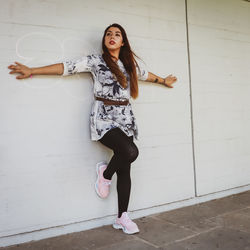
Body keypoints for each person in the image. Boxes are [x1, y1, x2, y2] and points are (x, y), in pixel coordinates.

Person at [8, 23, 177, 235]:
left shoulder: (130, 63)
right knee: (130, 152)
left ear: (123, 41)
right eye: (108, 34)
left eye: (117, 34)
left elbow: (147, 75)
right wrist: (32, 70)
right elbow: (66, 67)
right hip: (103, 117)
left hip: (125, 118)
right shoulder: (96, 61)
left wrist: (163, 80)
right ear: (105, 40)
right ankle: (105, 174)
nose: (112, 36)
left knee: (125, 166)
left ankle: (122, 217)